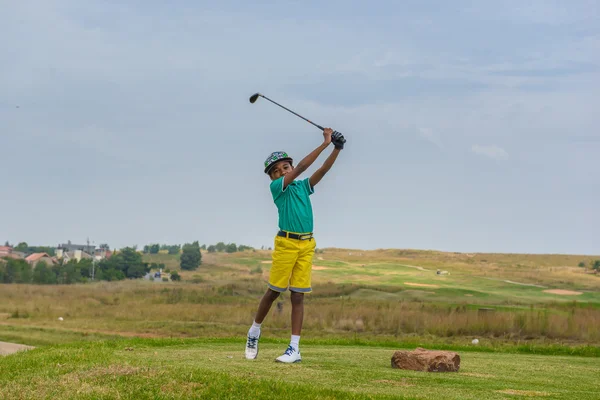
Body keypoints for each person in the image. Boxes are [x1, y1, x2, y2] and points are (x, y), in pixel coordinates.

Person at [245, 127, 346, 363]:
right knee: (274, 291)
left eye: (285, 168)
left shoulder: (302, 187)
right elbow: (302, 167)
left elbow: (323, 169)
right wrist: (325, 143)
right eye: (276, 172)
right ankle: (254, 331)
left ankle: (294, 349)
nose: (281, 172)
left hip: (306, 244)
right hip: (286, 244)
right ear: (272, 178)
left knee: (298, 296)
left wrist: (337, 148)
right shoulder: (277, 188)